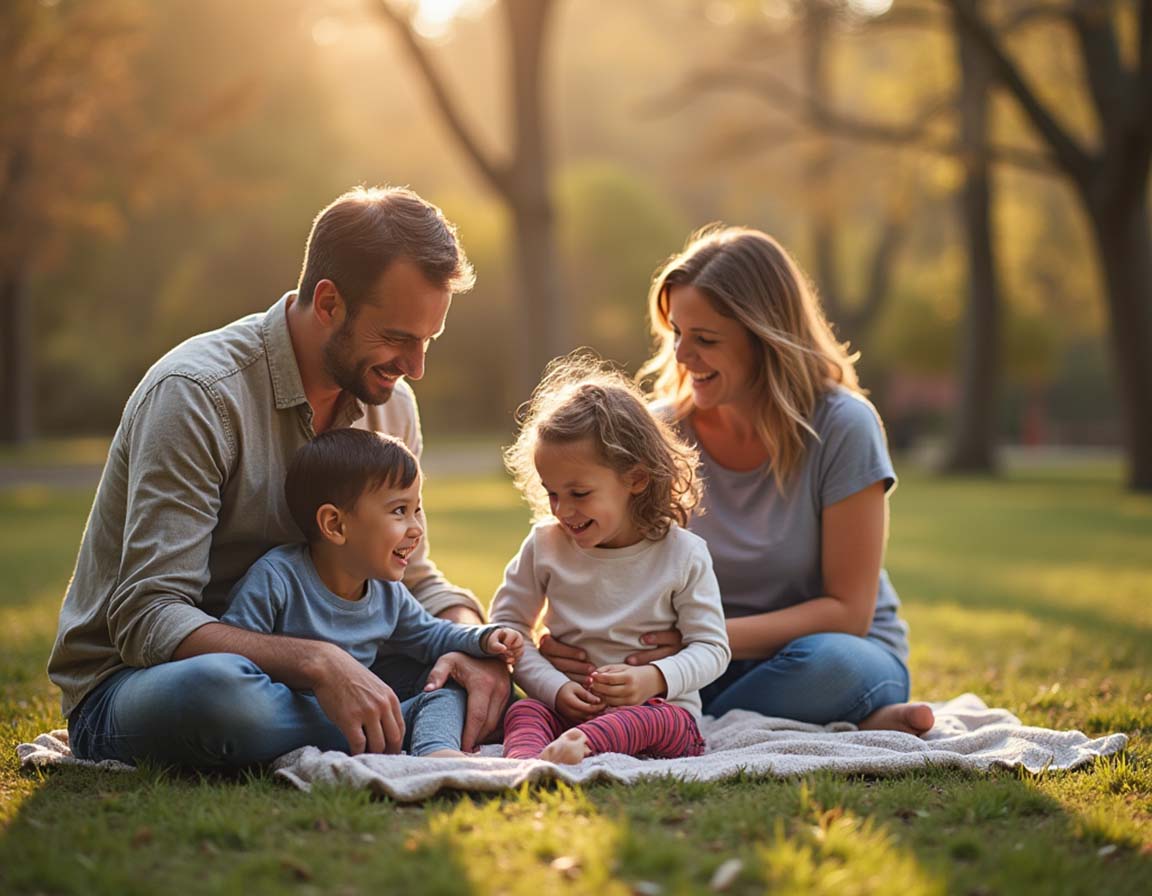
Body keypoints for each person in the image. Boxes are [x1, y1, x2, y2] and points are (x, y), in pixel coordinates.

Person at [48, 186, 511, 768]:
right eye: (397, 337)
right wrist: (316, 662)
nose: (415, 366)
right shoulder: (197, 395)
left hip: (341, 664)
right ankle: (414, 721)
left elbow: (408, 575)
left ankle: (393, 713)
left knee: (471, 673)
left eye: (427, 341)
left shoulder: (390, 403)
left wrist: (471, 644)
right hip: (153, 681)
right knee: (222, 696)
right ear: (328, 303)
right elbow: (149, 615)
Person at [540, 227, 934, 735]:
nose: (682, 355)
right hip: (686, 664)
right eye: (677, 333)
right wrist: (565, 644)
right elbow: (587, 550)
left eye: (705, 340)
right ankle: (843, 721)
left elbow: (849, 612)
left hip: (816, 653)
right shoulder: (655, 434)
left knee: (831, 667)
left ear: (766, 342)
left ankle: (684, 719)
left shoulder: (843, 426)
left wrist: (696, 640)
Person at [220, 429, 523, 757]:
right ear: (335, 525)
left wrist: (482, 639)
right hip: (288, 718)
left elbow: (430, 635)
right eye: (399, 511)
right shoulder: (277, 579)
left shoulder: (387, 590)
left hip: (370, 719)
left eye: (416, 509)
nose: (416, 528)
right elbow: (236, 660)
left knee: (445, 687)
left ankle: (437, 753)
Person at [491, 355, 731, 764]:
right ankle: (529, 762)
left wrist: (653, 678)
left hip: (657, 712)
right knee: (524, 710)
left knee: (658, 722)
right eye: (552, 493)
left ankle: (584, 746)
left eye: (579, 493)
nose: (562, 510)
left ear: (636, 479)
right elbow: (507, 631)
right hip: (567, 708)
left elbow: (712, 648)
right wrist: (554, 688)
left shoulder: (684, 555)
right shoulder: (544, 545)